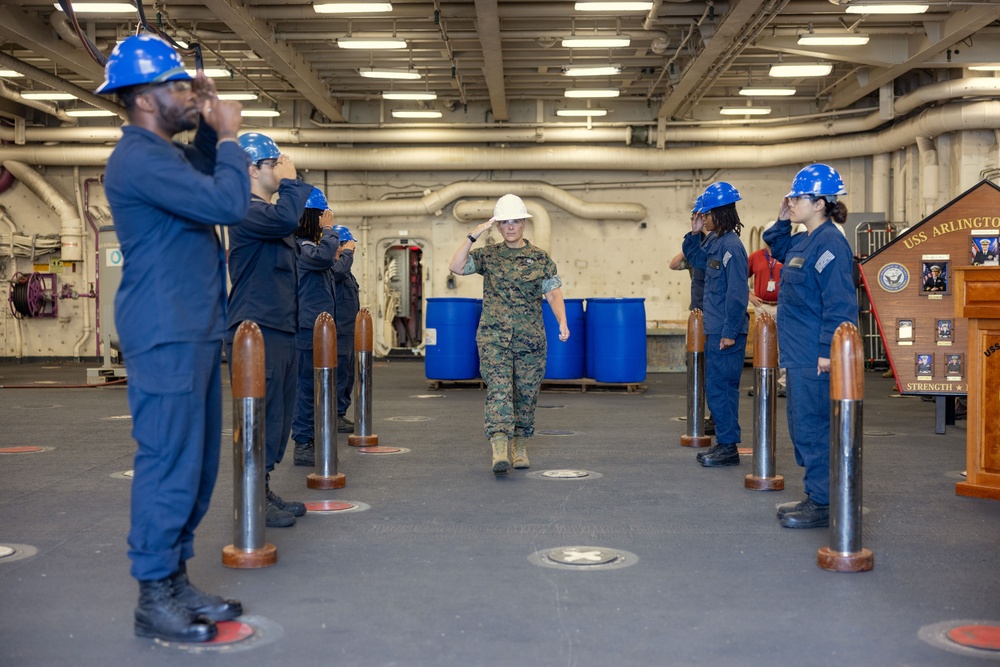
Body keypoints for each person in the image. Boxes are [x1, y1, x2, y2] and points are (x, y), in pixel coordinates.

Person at [99, 34, 248, 643]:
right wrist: (232, 133)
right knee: (167, 462)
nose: (192, 94)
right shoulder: (139, 158)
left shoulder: (167, 155)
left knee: (195, 462)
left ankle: (176, 576)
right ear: (143, 99)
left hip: (189, 326)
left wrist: (209, 130)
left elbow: (204, 175)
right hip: (165, 329)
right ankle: (152, 595)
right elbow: (228, 201)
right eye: (179, 87)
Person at [763, 163, 859, 529]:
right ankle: (816, 495)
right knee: (803, 425)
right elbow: (776, 243)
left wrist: (826, 352)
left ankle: (823, 502)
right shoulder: (805, 241)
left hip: (814, 355)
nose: (792, 201)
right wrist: (783, 215)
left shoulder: (831, 244)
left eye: (798, 197)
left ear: (819, 202)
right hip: (798, 352)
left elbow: (840, 304)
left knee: (814, 427)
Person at [226, 132, 314, 528]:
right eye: (273, 164)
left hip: (280, 329)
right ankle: (250, 500)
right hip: (255, 330)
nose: (279, 170)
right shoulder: (245, 210)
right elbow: (285, 218)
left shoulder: (269, 215)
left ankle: (260, 488)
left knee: (277, 418)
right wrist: (294, 181)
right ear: (251, 169)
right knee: (258, 418)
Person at [448, 194, 569, 474]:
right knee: (500, 392)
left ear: (524, 225)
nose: (511, 227)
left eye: (515, 221)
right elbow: (455, 267)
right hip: (494, 339)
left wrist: (562, 321)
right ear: (498, 227)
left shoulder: (540, 258)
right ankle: (499, 448)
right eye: (505, 223)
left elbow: (553, 293)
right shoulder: (487, 256)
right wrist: (473, 235)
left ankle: (520, 446)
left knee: (525, 395)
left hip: (531, 341)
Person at [682, 182, 749, 468]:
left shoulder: (732, 246)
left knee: (722, 388)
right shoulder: (714, 242)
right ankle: (725, 442)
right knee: (716, 387)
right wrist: (694, 233)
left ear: (720, 213)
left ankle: (728, 446)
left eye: (706, 214)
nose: (704, 217)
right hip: (715, 327)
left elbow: (737, 293)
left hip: (725, 331)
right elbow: (695, 259)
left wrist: (729, 333)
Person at [291, 188, 340, 466]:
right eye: (321, 215)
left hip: (319, 330)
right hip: (307, 329)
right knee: (306, 388)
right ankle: (302, 442)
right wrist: (330, 230)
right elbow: (323, 258)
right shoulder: (301, 246)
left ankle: (313, 436)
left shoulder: (308, 245)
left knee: (318, 387)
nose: (325, 219)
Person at [669, 195, 715, 435]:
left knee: (713, 371)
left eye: (701, 217)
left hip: (713, 314)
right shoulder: (695, 252)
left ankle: (714, 417)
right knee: (699, 367)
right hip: (697, 314)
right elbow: (673, 264)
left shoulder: (716, 247)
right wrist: (691, 242)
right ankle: (702, 414)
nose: (697, 220)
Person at [747, 237, 787, 396]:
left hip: (782, 307)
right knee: (762, 344)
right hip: (762, 306)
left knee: (783, 345)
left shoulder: (785, 255)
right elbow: (739, 275)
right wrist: (748, 295)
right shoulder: (756, 257)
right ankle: (762, 381)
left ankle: (784, 383)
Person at [332, 224, 361, 433]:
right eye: (347, 244)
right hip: (338, 332)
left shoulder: (347, 272)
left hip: (349, 332)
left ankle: (340, 412)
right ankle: (335, 415)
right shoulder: (334, 269)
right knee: (340, 375)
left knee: (348, 375)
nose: (352, 249)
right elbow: (338, 272)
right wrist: (347, 253)